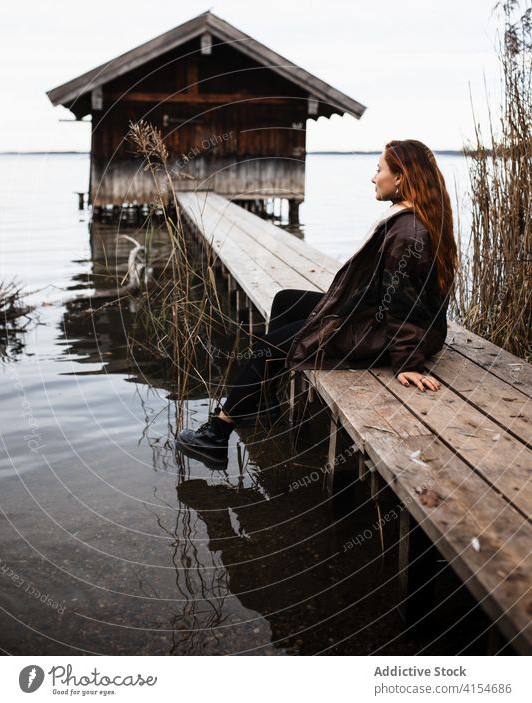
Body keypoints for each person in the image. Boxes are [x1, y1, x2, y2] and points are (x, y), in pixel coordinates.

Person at [176, 139, 458, 469]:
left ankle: (216, 435)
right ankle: (264, 399)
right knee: (285, 301)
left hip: (385, 331)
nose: (373, 177)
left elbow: (403, 303)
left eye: (379, 169)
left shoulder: (409, 231)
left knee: (268, 347)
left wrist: (407, 361)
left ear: (400, 177)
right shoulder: (409, 219)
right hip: (375, 314)